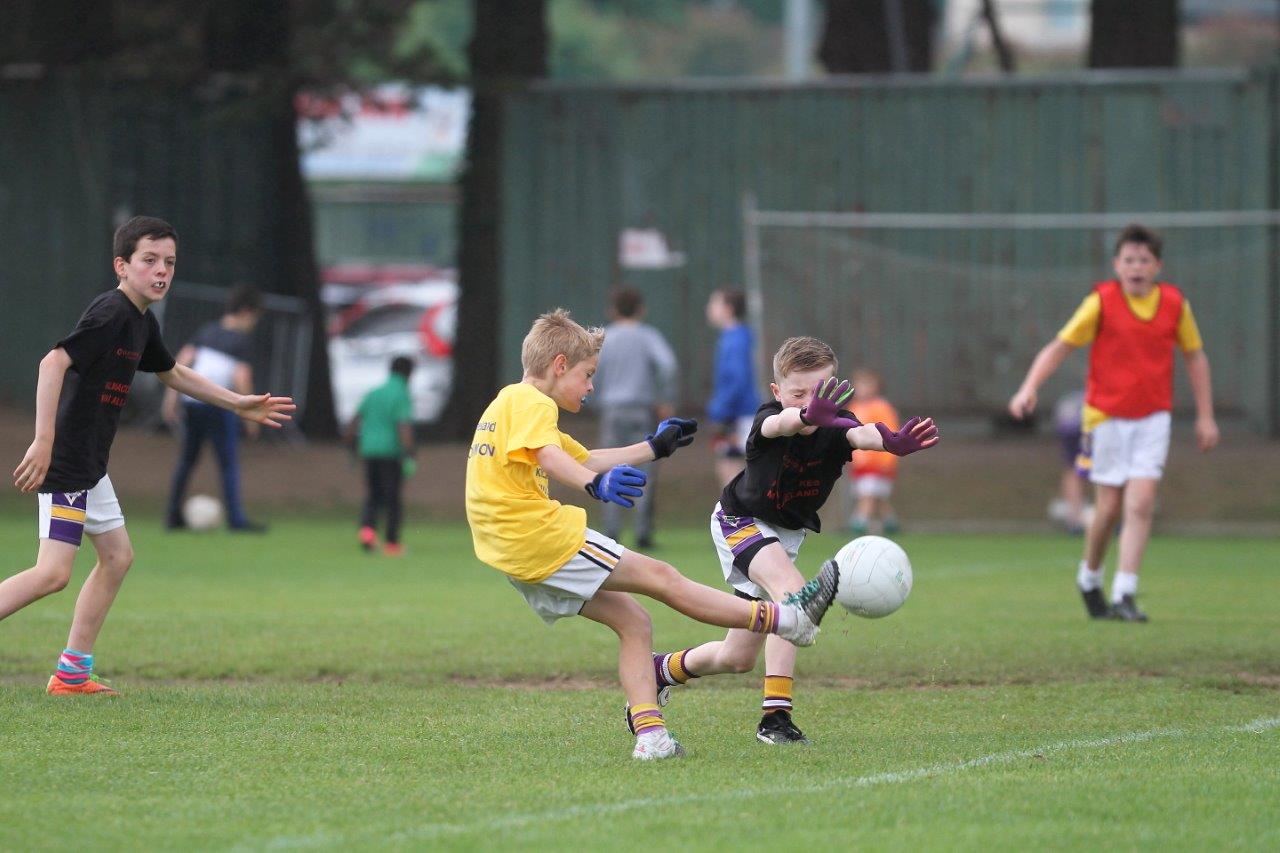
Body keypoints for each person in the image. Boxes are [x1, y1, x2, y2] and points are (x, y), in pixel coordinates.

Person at [465, 310, 840, 760]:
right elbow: (551, 458)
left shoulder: (509, 402)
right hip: (538, 538)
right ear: (560, 365)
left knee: (634, 622)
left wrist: (653, 448)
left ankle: (650, 736)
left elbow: (582, 455)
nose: (590, 387)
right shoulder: (533, 404)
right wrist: (593, 487)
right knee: (662, 577)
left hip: (511, 553)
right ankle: (785, 619)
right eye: (587, 375)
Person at [5, 216, 294, 695]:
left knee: (117, 558)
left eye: (170, 262)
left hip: (90, 466)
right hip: (70, 466)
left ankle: (72, 674)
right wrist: (43, 439)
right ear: (122, 266)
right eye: (149, 261)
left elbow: (173, 374)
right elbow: (52, 362)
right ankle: (70, 674)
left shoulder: (140, 321)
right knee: (52, 574)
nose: (162, 271)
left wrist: (238, 402)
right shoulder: (112, 313)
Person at [650, 337, 939, 745]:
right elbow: (781, 425)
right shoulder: (768, 417)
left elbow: (861, 434)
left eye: (819, 392)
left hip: (783, 536)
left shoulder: (839, 425)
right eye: (797, 393)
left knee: (737, 658)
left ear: (835, 388)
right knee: (794, 599)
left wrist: (891, 440)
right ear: (777, 392)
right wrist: (804, 414)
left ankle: (661, 670)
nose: (808, 401)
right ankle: (776, 719)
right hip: (740, 521)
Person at [1009, 223, 1218, 622]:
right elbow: (1060, 346)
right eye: (1128, 260)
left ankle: (1124, 593)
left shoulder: (1175, 304)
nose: (1136, 267)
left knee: (1140, 503)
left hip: (1153, 418)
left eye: (1144, 260)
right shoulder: (1101, 302)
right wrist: (1028, 387)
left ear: (1157, 265)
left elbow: (1195, 357)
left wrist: (1206, 416)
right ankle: (1089, 576)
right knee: (1108, 508)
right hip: (1104, 419)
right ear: (1116, 265)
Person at [163, 283, 266, 532]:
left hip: (192, 403)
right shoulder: (241, 340)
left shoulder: (207, 331)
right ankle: (236, 519)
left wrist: (170, 399)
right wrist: (251, 417)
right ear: (247, 312)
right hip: (218, 405)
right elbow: (241, 378)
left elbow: (182, 361)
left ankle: (173, 515)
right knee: (228, 462)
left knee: (187, 460)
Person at [594, 287, 678, 549]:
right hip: (641, 408)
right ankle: (642, 532)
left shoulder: (605, 338)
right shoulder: (648, 336)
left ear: (612, 310)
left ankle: (611, 530)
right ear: (641, 310)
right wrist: (665, 397)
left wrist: (595, 396)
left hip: (611, 409)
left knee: (607, 466)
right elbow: (668, 364)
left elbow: (593, 369)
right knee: (644, 469)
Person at [347, 355, 416, 556]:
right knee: (392, 498)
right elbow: (403, 426)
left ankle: (367, 534)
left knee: (373, 495)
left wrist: (351, 445)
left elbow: (354, 421)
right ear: (409, 373)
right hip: (390, 452)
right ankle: (392, 543)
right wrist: (409, 453)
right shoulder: (401, 393)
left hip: (369, 450)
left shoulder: (374, 392)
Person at [705, 289, 761, 486]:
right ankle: (734, 514)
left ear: (728, 310)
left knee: (730, 467)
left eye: (714, 304)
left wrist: (719, 409)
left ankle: (735, 515)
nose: (709, 308)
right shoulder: (732, 337)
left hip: (737, 415)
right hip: (735, 413)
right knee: (728, 464)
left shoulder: (736, 340)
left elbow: (738, 379)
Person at [846, 368, 902, 535]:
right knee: (878, 498)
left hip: (877, 461)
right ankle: (892, 524)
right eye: (860, 385)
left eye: (867, 385)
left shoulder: (882, 407)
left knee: (868, 495)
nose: (863, 389)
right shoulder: (854, 407)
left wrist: (888, 460)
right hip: (859, 462)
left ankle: (857, 525)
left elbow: (892, 433)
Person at [1048, 389, 1091, 535]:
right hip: (1088, 416)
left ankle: (1075, 518)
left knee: (1073, 469)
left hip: (1072, 418)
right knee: (1106, 470)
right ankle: (1079, 518)